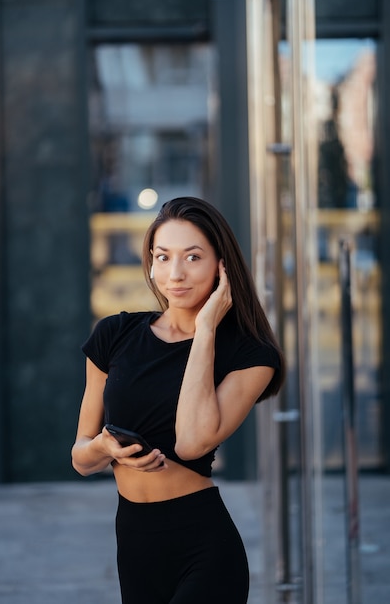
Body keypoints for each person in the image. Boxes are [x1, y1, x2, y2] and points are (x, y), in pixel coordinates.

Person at [72, 196, 285, 604]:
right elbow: (81, 458)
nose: (175, 274)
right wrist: (103, 446)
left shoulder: (251, 355)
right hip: (133, 547)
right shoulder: (114, 335)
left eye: (192, 257)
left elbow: (191, 442)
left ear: (222, 265)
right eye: (162, 256)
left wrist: (204, 331)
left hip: (203, 547)